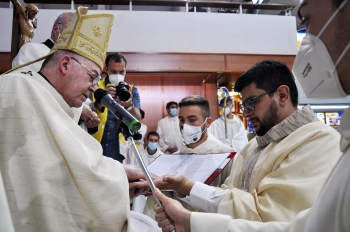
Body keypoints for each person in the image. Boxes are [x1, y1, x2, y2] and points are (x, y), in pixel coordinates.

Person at [0, 7, 158, 231]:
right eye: (92, 76)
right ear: (64, 65)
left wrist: (118, 179)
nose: (94, 88)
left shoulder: (55, 102)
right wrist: (117, 180)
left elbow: (60, 171)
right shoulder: (20, 87)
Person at [153, 59, 344, 231]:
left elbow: (268, 215)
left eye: (252, 102)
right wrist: (185, 187)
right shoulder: (252, 147)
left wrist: (190, 203)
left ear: (283, 95)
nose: (245, 113)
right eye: (245, 105)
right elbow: (228, 195)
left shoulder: (319, 141)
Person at [93, 52, 142, 163]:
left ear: (125, 70)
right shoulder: (95, 86)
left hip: (118, 147)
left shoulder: (131, 90)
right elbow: (87, 112)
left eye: (121, 71)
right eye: (114, 71)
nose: (118, 74)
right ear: (106, 69)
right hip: (95, 142)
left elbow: (138, 120)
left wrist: (129, 106)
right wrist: (103, 97)